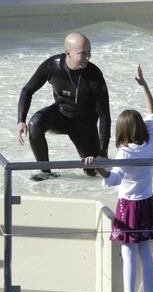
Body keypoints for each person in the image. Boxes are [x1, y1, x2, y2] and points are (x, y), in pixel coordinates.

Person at [84, 65, 153, 292]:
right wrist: (143, 84)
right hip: (147, 203)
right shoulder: (149, 142)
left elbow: (113, 179)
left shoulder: (124, 152)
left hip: (128, 207)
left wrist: (96, 166)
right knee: (145, 254)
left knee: (128, 254)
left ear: (121, 131)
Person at [17, 32, 110, 181]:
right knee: (35, 123)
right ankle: (45, 172)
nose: (88, 57)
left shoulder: (94, 75)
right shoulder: (52, 66)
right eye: (82, 53)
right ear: (68, 53)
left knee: (93, 173)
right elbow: (27, 90)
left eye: (89, 52)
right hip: (61, 115)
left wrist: (103, 152)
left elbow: (105, 115)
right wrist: (21, 120)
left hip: (85, 124)